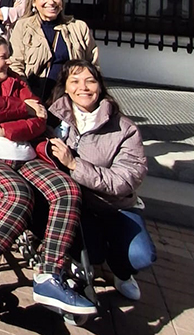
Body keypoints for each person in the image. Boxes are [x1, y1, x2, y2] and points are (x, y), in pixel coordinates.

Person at [0, 32, 96, 316]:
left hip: (24, 154)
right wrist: (20, 108)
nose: (8, 61)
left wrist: (5, 128)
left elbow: (39, 121)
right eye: (2, 56)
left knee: (67, 190)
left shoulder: (16, 81)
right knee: (17, 195)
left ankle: (49, 276)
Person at [49, 61, 156, 301]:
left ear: (100, 86)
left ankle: (122, 272)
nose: (83, 88)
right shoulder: (53, 120)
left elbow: (126, 179)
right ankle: (81, 260)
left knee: (141, 255)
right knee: (92, 252)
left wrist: (76, 165)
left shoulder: (123, 127)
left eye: (90, 81)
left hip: (116, 206)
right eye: (74, 81)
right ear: (65, 87)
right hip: (78, 207)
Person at [10, 0, 99, 102]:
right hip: (36, 99)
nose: (51, 2)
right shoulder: (23, 26)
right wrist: (27, 97)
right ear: (34, 1)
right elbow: (15, 64)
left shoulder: (78, 27)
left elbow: (93, 65)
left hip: (71, 100)